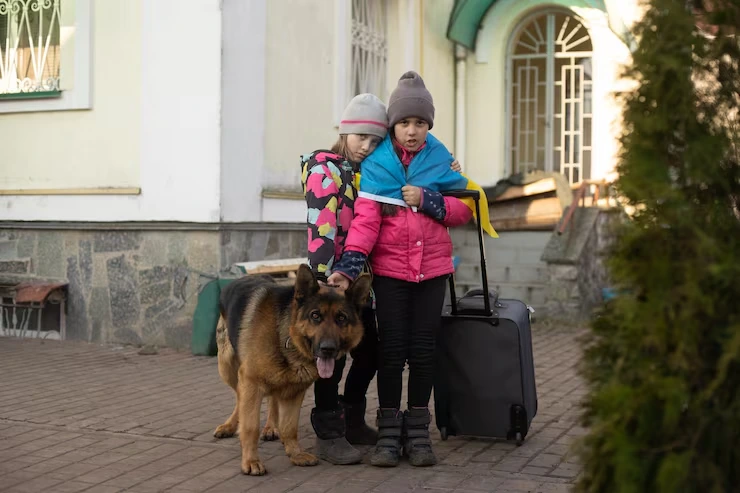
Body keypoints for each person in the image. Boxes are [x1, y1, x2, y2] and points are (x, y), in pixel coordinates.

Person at [328, 71, 495, 468]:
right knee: (391, 352)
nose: (412, 130)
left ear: (428, 125)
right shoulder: (378, 164)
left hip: (432, 272)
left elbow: (464, 207)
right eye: (404, 122)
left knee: (423, 353)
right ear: (393, 124)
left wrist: (428, 200)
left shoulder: (439, 157)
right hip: (390, 274)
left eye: (420, 122)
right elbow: (365, 223)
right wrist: (347, 269)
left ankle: (418, 432)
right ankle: (389, 432)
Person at [300, 93, 386, 465]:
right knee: (329, 356)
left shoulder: (369, 172)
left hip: (361, 283)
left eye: (375, 140)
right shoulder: (325, 170)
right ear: (344, 131)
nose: (366, 146)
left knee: (370, 351)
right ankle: (329, 433)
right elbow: (321, 228)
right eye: (361, 136)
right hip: (332, 283)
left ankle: (352, 419)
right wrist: (324, 283)